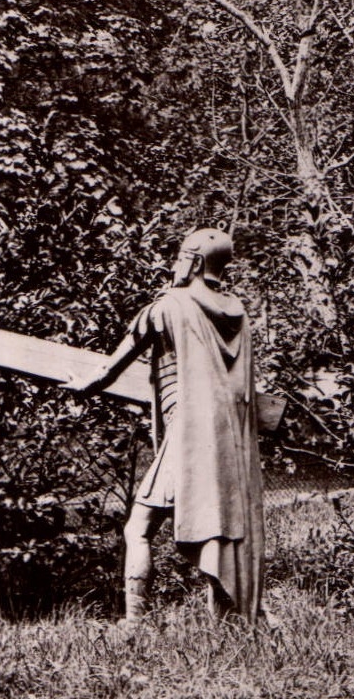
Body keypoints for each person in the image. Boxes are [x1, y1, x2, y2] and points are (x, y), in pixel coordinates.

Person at [65, 229, 266, 625]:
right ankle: (226, 625)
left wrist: (83, 386)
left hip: (186, 436)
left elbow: (113, 365)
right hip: (226, 440)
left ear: (192, 260)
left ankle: (134, 623)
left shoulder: (168, 306)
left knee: (138, 526)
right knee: (221, 530)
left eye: (180, 256)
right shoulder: (238, 314)